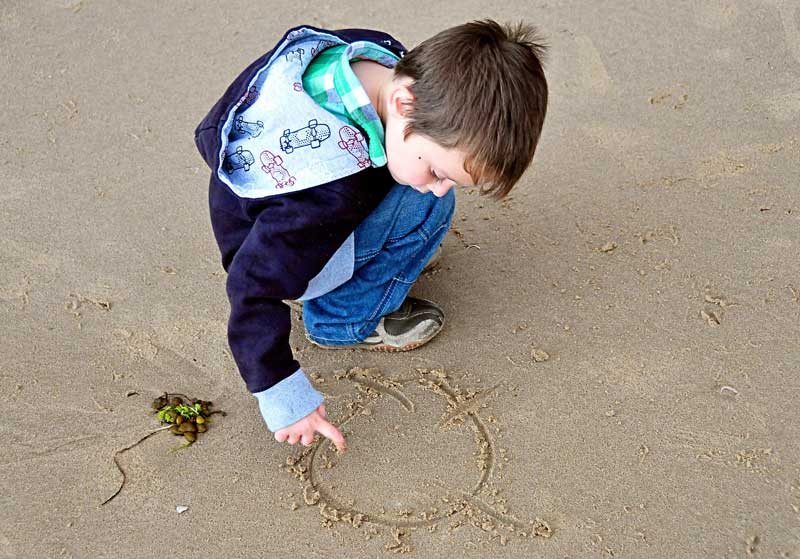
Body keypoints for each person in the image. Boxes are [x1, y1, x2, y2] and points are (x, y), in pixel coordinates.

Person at [194, 20, 548, 453]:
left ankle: (369, 257)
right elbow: (252, 287)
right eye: (438, 171)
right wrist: (283, 395)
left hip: (258, 208)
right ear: (404, 102)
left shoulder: (372, 52)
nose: (440, 184)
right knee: (427, 209)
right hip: (283, 249)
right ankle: (342, 319)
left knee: (414, 188)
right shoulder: (328, 189)